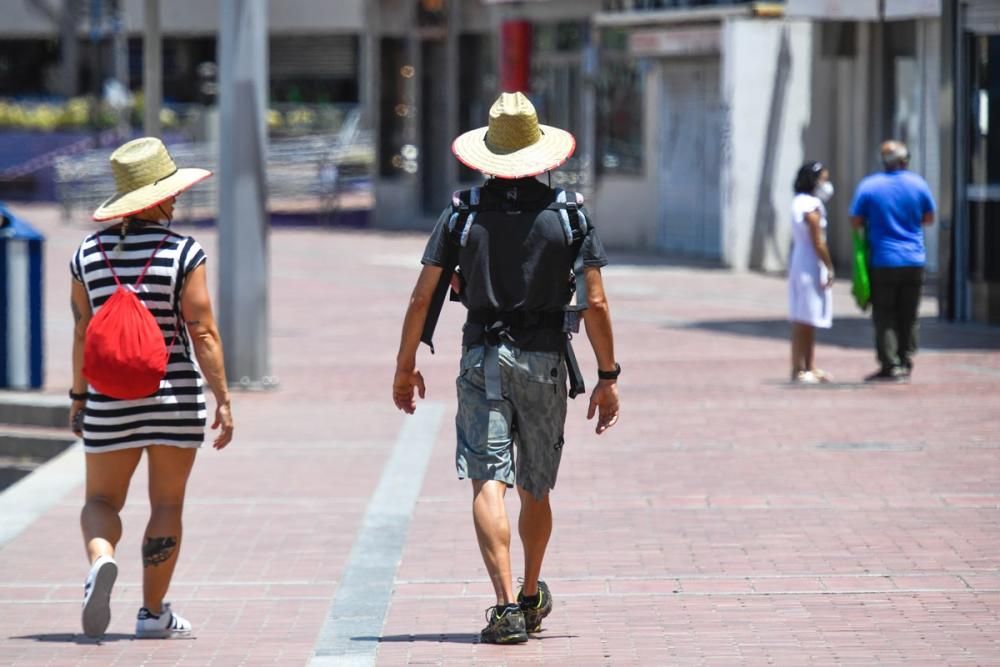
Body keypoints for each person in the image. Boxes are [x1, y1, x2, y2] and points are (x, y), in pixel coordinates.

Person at [392, 92, 620, 644]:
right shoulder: (569, 213)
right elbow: (596, 303)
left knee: (487, 478)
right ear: (542, 153)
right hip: (546, 360)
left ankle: (504, 609)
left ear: (488, 153)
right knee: (536, 487)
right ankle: (530, 591)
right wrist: (608, 378)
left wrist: (405, 366)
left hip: (482, 358)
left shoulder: (463, 210)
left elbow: (423, 298)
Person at [69, 137, 234, 639]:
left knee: (101, 499)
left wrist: (78, 398)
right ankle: (153, 612)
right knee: (166, 504)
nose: (176, 199)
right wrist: (223, 397)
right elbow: (202, 330)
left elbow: (82, 329)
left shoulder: (87, 254)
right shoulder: (184, 252)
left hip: (107, 398)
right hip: (174, 399)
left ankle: (101, 559)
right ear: (157, 199)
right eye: (170, 191)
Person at [849, 140, 935, 382]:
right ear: (905, 160)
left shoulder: (870, 186)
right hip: (914, 259)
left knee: (885, 313)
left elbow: (855, 220)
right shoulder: (918, 184)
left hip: (883, 259)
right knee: (909, 312)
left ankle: (890, 363)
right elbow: (929, 218)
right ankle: (906, 359)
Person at [788, 161, 835, 383]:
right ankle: (799, 368)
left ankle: (809, 365)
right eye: (824, 179)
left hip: (800, 259)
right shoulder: (811, 205)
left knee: (809, 316)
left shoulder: (799, 202)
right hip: (809, 262)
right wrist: (828, 264)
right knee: (804, 318)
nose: (826, 184)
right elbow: (818, 240)